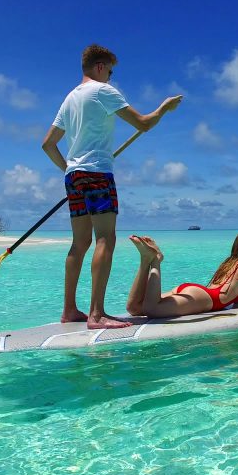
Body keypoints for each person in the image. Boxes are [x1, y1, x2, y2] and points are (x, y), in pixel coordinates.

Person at [42, 44, 183, 329]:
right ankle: (96, 314)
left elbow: (48, 144)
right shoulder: (103, 91)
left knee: (79, 243)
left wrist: (70, 169)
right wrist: (164, 109)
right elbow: (143, 124)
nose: (111, 76)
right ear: (100, 66)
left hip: (75, 176)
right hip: (97, 173)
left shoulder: (69, 98)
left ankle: (69, 309)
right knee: (105, 238)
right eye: (110, 70)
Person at [125, 232, 238, 318]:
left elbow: (235, 296)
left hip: (195, 292)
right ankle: (156, 261)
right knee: (151, 310)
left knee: (134, 308)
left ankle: (145, 262)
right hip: (205, 299)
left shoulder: (229, 263)